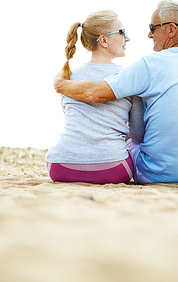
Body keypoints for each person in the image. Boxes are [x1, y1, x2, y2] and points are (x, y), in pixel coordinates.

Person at [54, 0, 178, 186]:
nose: (149, 34)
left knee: (133, 142)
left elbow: (96, 94)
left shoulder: (148, 65)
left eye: (152, 28)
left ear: (171, 30)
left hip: (155, 175)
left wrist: (60, 85)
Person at [46, 10, 144, 185]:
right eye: (121, 32)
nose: (127, 38)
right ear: (103, 40)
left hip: (60, 166)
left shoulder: (69, 76)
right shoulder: (128, 77)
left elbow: (71, 115)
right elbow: (138, 134)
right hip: (112, 170)